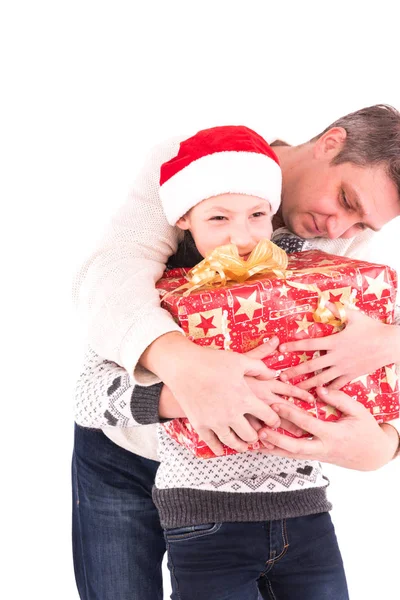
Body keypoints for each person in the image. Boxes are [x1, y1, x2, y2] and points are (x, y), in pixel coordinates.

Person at [72, 106, 400, 599]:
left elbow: (373, 359)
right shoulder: (195, 162)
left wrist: (385, 444)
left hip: (242, 491)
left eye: (364, 223)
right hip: (126, 449)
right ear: (331, 142)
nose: (341, 229)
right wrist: (186, 365)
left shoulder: (347, 239)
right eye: (345, 198)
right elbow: (110, 278)